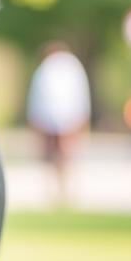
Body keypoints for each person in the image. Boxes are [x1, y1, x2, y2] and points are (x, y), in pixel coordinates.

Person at [25, 42, 91, 204]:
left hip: (63, 118)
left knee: (63, 156)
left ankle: (63, 190)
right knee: (58, 156)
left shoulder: (57, 69)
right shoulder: (65, 69)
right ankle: (58, 191)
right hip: (59, 118)